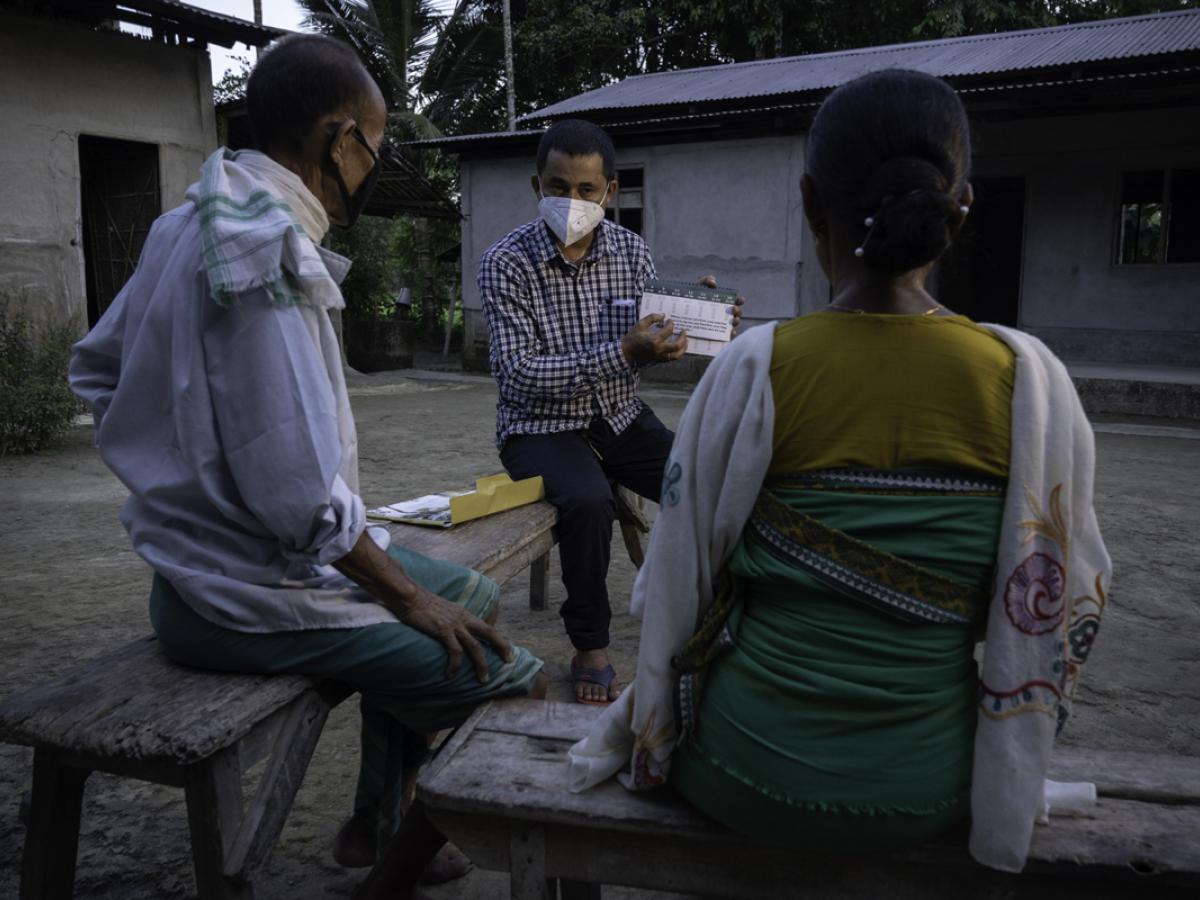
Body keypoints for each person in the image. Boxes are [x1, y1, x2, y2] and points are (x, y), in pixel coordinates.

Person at [567, 69, 1111, 873]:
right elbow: (1070, 595)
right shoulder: (1031, 383)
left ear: (809, 202)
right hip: (934, 785)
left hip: (743, 772)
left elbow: (676, 582)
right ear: (959, 207)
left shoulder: (757, 369)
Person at [69, 34, 545, 882]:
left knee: (471, 591)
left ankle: (374, 822)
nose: (375, 161)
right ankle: (390, 869)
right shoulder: (264, 256)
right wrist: (405, 599)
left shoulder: (191, 222)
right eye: (375, 140)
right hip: (237, 596)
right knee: (508, 677)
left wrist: (184, 476)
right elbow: (298, 501)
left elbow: (98, 370)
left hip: (191, 572)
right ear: (339, 141)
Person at [478, 119, 741, 704]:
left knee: (701, 475)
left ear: (610, 192)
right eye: (557, 186)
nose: (571, 202)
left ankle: (712, 613)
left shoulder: (631, 252)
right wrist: (623, 351)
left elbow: (646, 350)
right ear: (535, 186)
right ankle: (591, 647)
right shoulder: (506, 263)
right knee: (588, 500)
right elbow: (516, 374)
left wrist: (696, 322)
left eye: (586, 190)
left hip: (618, 414)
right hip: (538, 427)